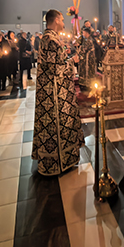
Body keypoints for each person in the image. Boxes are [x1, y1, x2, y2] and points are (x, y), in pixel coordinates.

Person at [32, 9, 84, 176]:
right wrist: (72, 61)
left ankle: (58, 161)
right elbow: (56, 69)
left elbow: (54, 62)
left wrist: (66, 57)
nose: (63, 23)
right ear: (55, 20)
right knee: (58, 126)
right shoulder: (51, 40)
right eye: (61, 20)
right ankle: (59, 162)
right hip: (55, 94)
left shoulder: (48, 38)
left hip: (51, 91)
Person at [76, 26, 97, 90]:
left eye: (83, 33)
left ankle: (87, 85)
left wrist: (78, 50)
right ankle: (84, 85)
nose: (83, 34)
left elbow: (84, 49)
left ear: (87, 33)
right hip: (86, 59)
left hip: (88, 60)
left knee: (87, 72)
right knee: (84, 71)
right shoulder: (86, 40)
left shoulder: (89, 40)